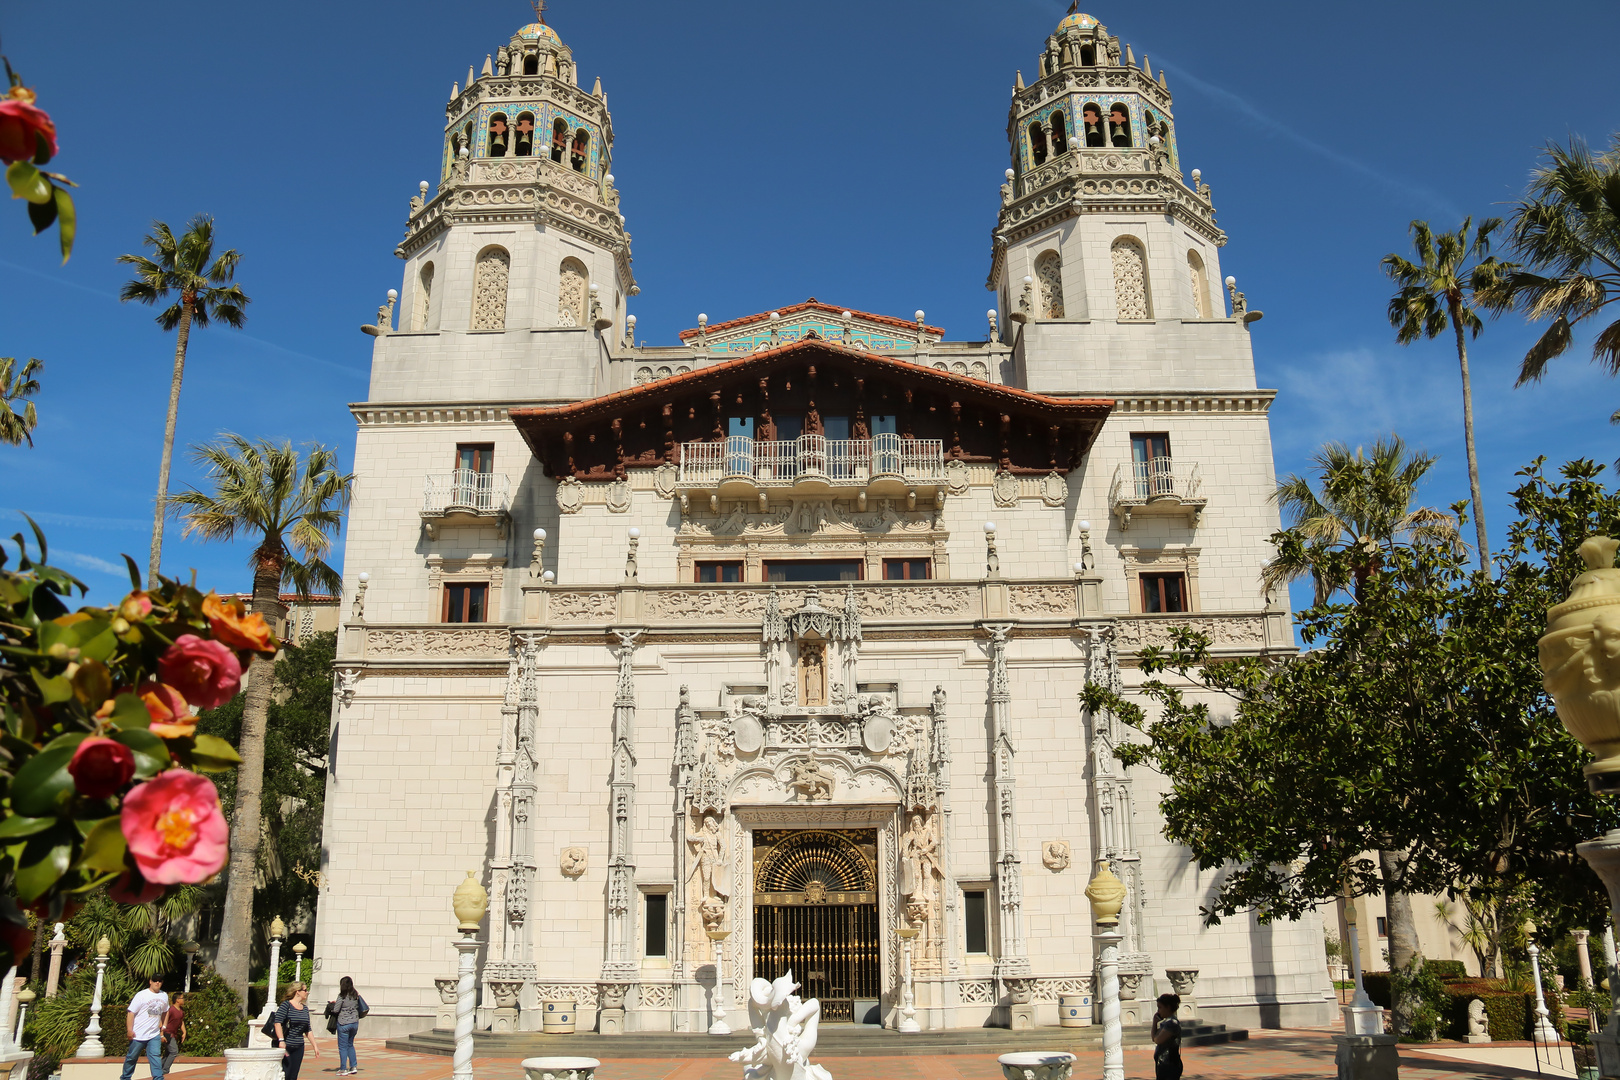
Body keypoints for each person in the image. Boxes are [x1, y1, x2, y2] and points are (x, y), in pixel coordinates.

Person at [120, 976, 168, 1080]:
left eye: (160, 981)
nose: (157, 983)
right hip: (138, 1034)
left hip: (153, 1034)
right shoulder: (141, 995)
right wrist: (129, 1030)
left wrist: (163, 1026)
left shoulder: (164, 995)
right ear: (150, 982)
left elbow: (166, 1010)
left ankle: (158, 1078)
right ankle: (125, 1077)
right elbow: (131, 1013)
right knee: (132, 1057)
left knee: (155, 1056)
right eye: (155, 980)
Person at [273, 982, 320, 1080]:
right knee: (286, 1074)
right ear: (297, 992)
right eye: (305, 990)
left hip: (299, 1046)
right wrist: (281, 1040)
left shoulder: (305, 1009)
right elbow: (277, 1023)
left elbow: (307, 1029)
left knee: (294, 1075)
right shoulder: (286, 1005)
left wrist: (315, 1046)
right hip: (286, 1045)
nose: (307, 992)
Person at [328, 976, 369, 1076]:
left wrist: (332, 1005)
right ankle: (353, 1066)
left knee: (342, 1047)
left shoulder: (342, 995)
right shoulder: (355, 995)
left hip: (343, 1023)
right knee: (350, 1045)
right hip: (354, 1023)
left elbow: (336, 1009)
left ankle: (343, 1068)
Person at [1151, 992, 1183, 1080]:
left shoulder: (1172, 1024)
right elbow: (1154, 1038)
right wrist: (1154, 1023)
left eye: (1160, 1007)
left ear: (1168, 1007)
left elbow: (1157, 1040)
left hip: (1169, 1065)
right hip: (1163, 1064)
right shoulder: (1166, 1023)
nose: (1158, 1011)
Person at [160, 992, 187, 1078]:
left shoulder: (181, 1010)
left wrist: (184, 1032)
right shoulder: (170, 1010)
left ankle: (158, 1068)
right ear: (177, 1000)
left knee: (168, 1053)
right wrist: (162, 1033)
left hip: (173, 1034)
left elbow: (181, 1021)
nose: (184, 1000)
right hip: (167, 1033)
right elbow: (163, 1020)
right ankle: (165, 1070)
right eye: (182, 998)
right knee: (174, 1051)